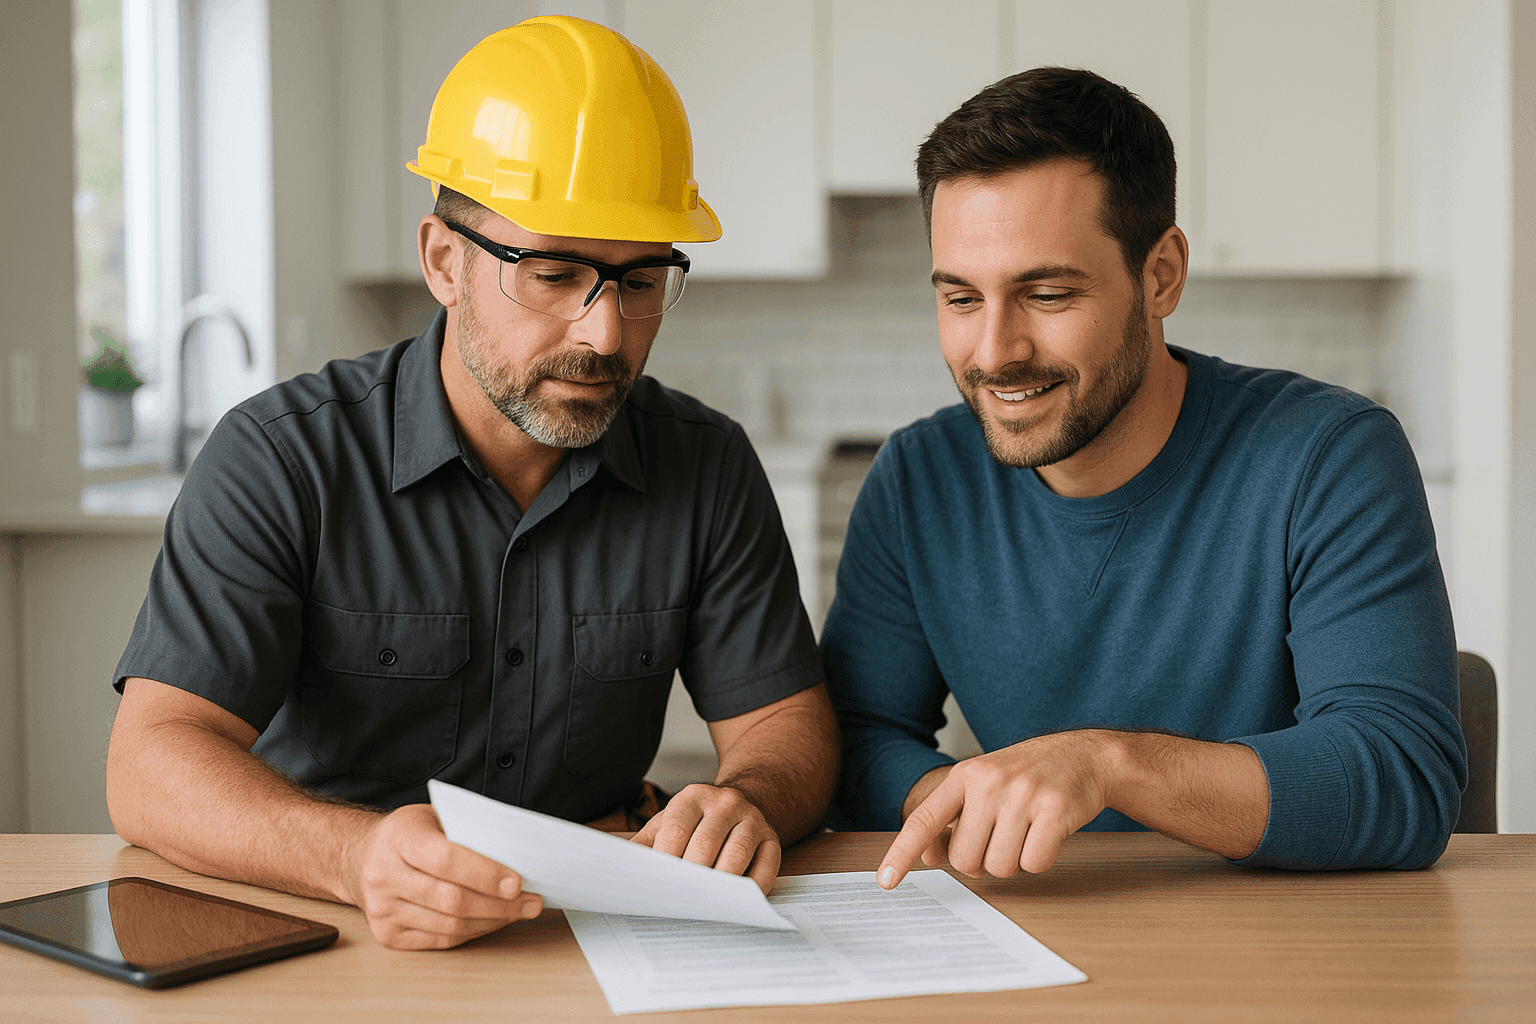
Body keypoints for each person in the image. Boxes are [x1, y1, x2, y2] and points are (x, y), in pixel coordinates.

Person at [105, 16, 837, 950]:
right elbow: (151, 761)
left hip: (591, 934)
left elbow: (787, 724)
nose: (605, 334)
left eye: (641, 279)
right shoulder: (281, 460)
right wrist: (355, 857)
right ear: (445, 262)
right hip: (329, 930)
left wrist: (746, 798)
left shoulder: (707, 463)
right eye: (555, 272)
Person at [820, 67, 1464, 888]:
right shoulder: (919, 477)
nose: (994, 352)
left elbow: (1402, 774)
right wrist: (960, 800)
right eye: (960, 299)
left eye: (1047, 294)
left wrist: (1107, 765)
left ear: (1160, 275)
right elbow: (853, 737)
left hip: (1292, 943)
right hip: (1044, 920)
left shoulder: (1328, 455)